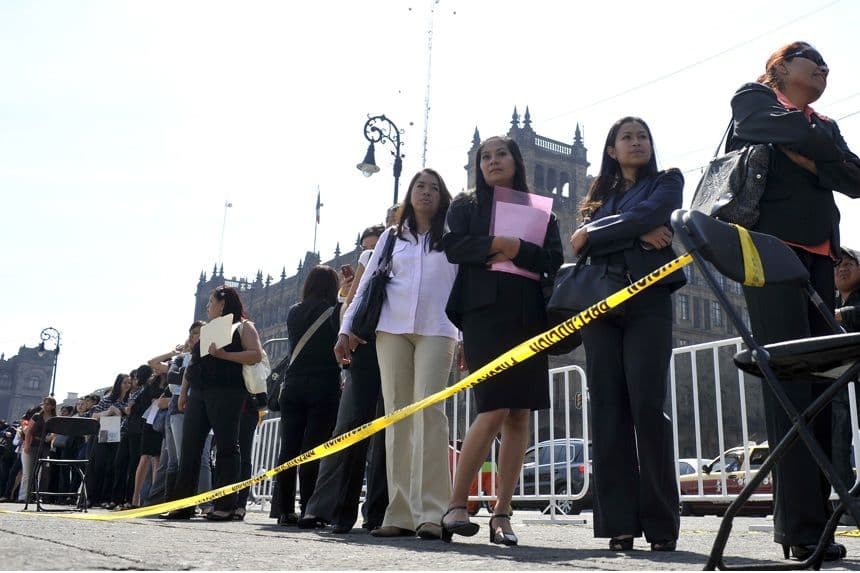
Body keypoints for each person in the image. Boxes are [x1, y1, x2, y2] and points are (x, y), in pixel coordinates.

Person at [729, 41, 860, 561]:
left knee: (821, 389)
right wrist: (818, 155)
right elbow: (763, 129)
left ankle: (817, 521)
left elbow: (855, 179)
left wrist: (813, 152)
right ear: (782, 68)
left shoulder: (823, 123)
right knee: (789, 386)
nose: (824, 68)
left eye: (829, 64)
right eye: (814, 62)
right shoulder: (753, 96)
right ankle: (797, 528)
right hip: (769, 256)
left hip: (820, 261)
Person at [568, 118, 686, 552]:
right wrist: (632, 230)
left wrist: (594, 231)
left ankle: (661, 524)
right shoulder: (598, 197)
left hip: (648, 303)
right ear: (612, 150)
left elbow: (653, 215)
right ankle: (619, 524)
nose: (637, 143)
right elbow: (582, 246)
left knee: (648, 408)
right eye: (627, 138)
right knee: (608, 412)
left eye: (643, 136)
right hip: (600, 307)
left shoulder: (667, 181)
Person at [440, 136, 563, 546]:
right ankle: (457, 504)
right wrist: (496, 244)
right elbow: (453, 247)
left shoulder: (540, 210)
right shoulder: (465, 205)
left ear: (516, 161)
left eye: (501, 154)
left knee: (520, 414)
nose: (493, 161)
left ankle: (502, 512)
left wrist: (516, 248)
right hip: (483, 314)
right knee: (493, 407)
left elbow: (551, 262)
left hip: (528, 313)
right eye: (485, 156)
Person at [337, 168, 457, 539]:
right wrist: (347, 330)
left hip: (438, 330)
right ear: (409, 194)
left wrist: (465, 336)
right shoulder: (391, 238)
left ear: (442, 196)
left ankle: (433, 512)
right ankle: (400, 511)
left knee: (430, 414)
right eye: (420, 187)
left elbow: (463, 286)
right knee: (398, 417)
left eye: (433, 188)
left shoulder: (452, 239)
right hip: (391, 331)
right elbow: (366, 287)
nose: (426, 193)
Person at [301, 225, 390, 533]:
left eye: (375, 244)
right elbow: (348, 310)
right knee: (347, 430)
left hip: (392, 347)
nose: (370, 249)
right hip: (363, 351)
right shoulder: (364, 266)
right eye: (366, 246)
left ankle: (376, 512)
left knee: (383, 433)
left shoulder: (401, 254)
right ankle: (326, 508)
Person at [163, 285, 264, 521]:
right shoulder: (209, 329)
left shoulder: (243, 326)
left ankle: (225, 505)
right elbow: (193, 364)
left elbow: (255, 355)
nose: (207, 306)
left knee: (227, 447)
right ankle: (183, 504)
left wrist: (225, 355)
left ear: (223, 303)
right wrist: (185, 392)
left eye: (211, 302)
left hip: (227, 391)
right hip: (199, 391)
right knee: (190, 448)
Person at [272, 265, 342, 526]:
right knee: (313, 449)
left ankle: (284, 509)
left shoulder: (293, 312)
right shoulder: (335, 312)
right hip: (323, 385)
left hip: (292, 386)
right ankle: (309, 508)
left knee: (288, 448)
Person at [833, 246, 860, 526]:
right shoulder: (828, 301)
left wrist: (838, 315)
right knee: (838, 444)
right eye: (838, 263)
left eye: (850, 262)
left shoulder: (840, 309)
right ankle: (849, 503)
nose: (842, 267)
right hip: (841, 383)